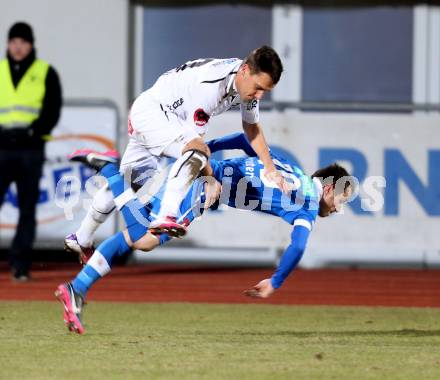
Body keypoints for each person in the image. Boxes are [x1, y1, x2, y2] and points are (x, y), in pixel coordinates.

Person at [55, 133, 354, 334]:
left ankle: (77, 288)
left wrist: (201, 152)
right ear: (328, 188)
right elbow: (298, 247)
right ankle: (110, 171)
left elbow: (243, 139)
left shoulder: (287, 167)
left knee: (136, 236)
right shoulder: (308, 204)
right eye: (340, 200)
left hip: (196, 170)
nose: (337, 209)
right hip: (202, 184)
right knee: (145, 239)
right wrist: (275, 281)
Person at [64, 46, 289, 260]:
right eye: (259, 87)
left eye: (265, 91)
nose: (259, 96)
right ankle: (166, 214)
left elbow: (251, 127)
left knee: (130, 182)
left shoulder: (244, 85)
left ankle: (81, 237)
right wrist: (210, 180)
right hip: (153, 114)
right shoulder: (211, 85)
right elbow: (196, 146)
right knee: (198, 153)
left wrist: (271, 170)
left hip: (161, 116)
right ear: (246, 70)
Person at [0, 22, 62, 281]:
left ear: (31, 44)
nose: (17, 46)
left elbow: (52, 109)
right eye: (13, 41)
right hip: (1, 148)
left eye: (23, 41)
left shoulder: (45, 72)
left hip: (30, 150)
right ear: (7, 43)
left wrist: (32, 132)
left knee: (27, 210)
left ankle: (20, 265)